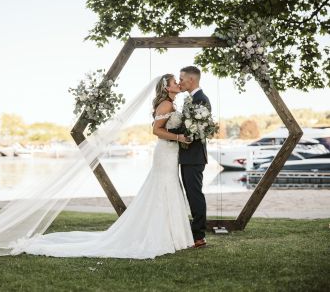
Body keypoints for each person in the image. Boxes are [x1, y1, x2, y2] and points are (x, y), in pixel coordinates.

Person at [12, 74, 194, 259]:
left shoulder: (173, 104)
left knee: (168, 188)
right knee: (162, 188)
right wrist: (179, 137)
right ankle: (163, 236)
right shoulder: (166, 105)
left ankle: (171, 235)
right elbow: (156, 130)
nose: (178, 84)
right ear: (166, 88)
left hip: (171, 152)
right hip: (165, 152)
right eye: (174, 82)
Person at [168, 66, 211, 248]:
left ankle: (199, 236)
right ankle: (191, 233)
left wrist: (168, 130)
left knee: (194, 195)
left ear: (191, 80)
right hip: (186, 155)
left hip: (194, 156)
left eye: (182, 78)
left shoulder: (201, 100)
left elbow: (194, 130)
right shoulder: (190, 99)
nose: (180, 82)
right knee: (190, 194)